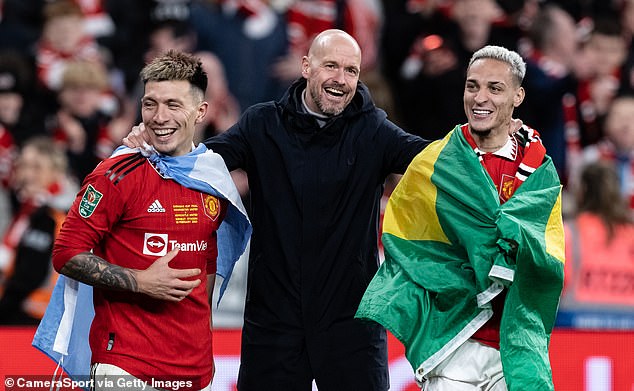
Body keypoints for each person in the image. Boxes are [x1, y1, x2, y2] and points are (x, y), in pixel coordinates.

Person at [125, 29, 429, 390]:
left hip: (351, 323)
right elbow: (203, 163)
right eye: (331, 66)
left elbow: (432, 159)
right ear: (306, 67)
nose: (341, 79)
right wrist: (155, 145)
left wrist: (489, 141)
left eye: (351, 70)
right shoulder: (262, 123)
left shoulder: (373, 129)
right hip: (274, 321)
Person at [37, 50, 251, 391]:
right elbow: (65, 253)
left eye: (172, 104)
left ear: (200, 112)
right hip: (125, 367)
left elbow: (207, 268)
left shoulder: (213, 180)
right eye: (150, 104)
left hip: (197, 370)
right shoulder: (116, 174)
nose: (158, 116)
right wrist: (140, 281)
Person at [356, 45, 565, 391]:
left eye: (494, 88)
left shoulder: (540, 171)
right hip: (453, 341)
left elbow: (550, 252)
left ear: (518, 95)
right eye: (472, 86)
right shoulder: (433, 164)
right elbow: (406, 244)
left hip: (515, 344)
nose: (480, 97)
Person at [0, 136, 78, 324]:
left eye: (36, 168)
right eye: (23, 166)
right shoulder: (26, 207)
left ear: (56, 171)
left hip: (37, 319)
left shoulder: (55, 212)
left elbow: (29, 276)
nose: (27, 175)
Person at [557, 161, 634, 329]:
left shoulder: (569, 232)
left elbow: (553, 285)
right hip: (629, 335)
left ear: (582, 191)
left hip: (575, 333)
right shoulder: (631, 233)